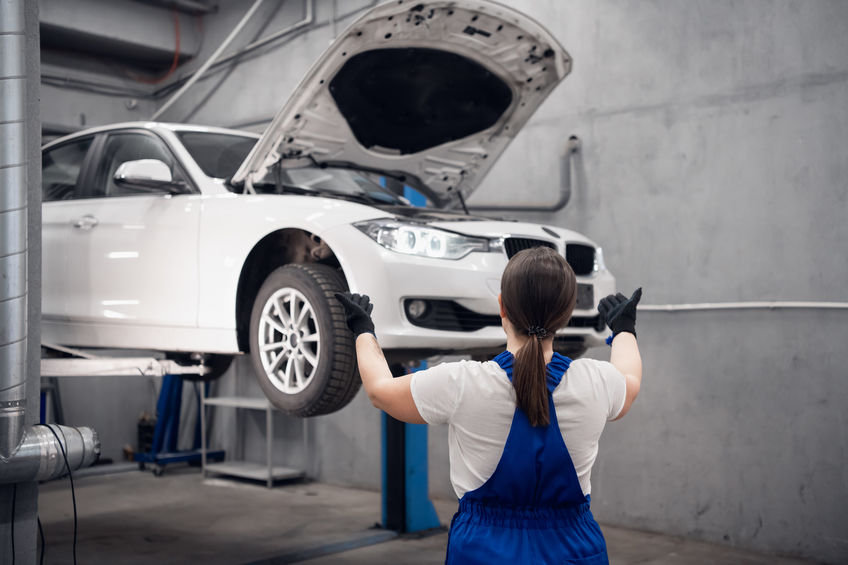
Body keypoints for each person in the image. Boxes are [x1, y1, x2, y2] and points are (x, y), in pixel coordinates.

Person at [335, 246, 643, 564]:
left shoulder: (463, 383)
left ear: (501, 307)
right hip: (577, 549)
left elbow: (380, 391)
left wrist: (362, 330)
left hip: (484, 551)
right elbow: (630, 382)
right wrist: (624, 329)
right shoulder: (597, 381)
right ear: (567, 315)